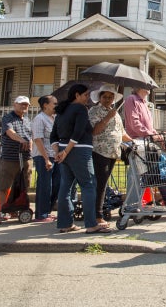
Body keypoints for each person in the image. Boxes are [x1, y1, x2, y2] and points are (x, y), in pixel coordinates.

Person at [51, 84, 110, 234]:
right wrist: (66, 151)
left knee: (65, 187)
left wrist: (59, 151)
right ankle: (91, 224)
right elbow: (77, 133)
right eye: (85, 95)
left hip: (64, 150)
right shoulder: (80, 110)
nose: (87, 98)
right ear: (77, 95)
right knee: (88, 184)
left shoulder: (61, 111)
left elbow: (54, 135)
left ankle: (65, 224)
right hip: (80, 150)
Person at [89, 85, 132, 227]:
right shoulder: (95, 111)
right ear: (100, 98)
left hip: (113, 152)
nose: (107, 99)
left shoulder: (115, 113)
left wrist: (135, 141)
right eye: (105, 97)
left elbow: (121, 133)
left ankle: (98, 213)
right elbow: (94, 130)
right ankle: (97, 215)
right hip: (100, 151)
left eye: (110, 97)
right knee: (100, 184)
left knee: (104, 183)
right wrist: (107, 117)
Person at [123, 87, 163, 210]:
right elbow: (134, 123)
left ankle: (140, 202)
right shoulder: (132, 99)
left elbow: (148, 126)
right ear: (139, 86)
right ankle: (131, 205)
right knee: (135, 174)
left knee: (145, 174)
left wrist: (156, 134)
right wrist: (151, 135)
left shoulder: (144, 103)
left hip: (146, 141)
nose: (150, 87)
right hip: (137, 141)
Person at [0, 96, 34, 221]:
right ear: (15, 104)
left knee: (23, 184)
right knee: (4, 184)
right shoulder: (8, 117)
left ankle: (16, 208)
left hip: (26, 156)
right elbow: (10, 132)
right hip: (10, 157)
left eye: (26, 105)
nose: (24, 106)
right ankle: (3, 210)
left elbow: (30, 135)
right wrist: (21, 139)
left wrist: (31, 144)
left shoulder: (27, 120)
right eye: (21, 104)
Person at [31, 95, 60, 222]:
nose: (56, 105)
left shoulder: (54, 118)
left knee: (56, 184)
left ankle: (48, 211)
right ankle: (41, 214)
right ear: (45, 105)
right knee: (45, 185)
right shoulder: (39, 119)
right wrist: (46, 158)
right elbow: (38, 139)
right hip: (43, 156)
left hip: (56, 156)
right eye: (54, 103)